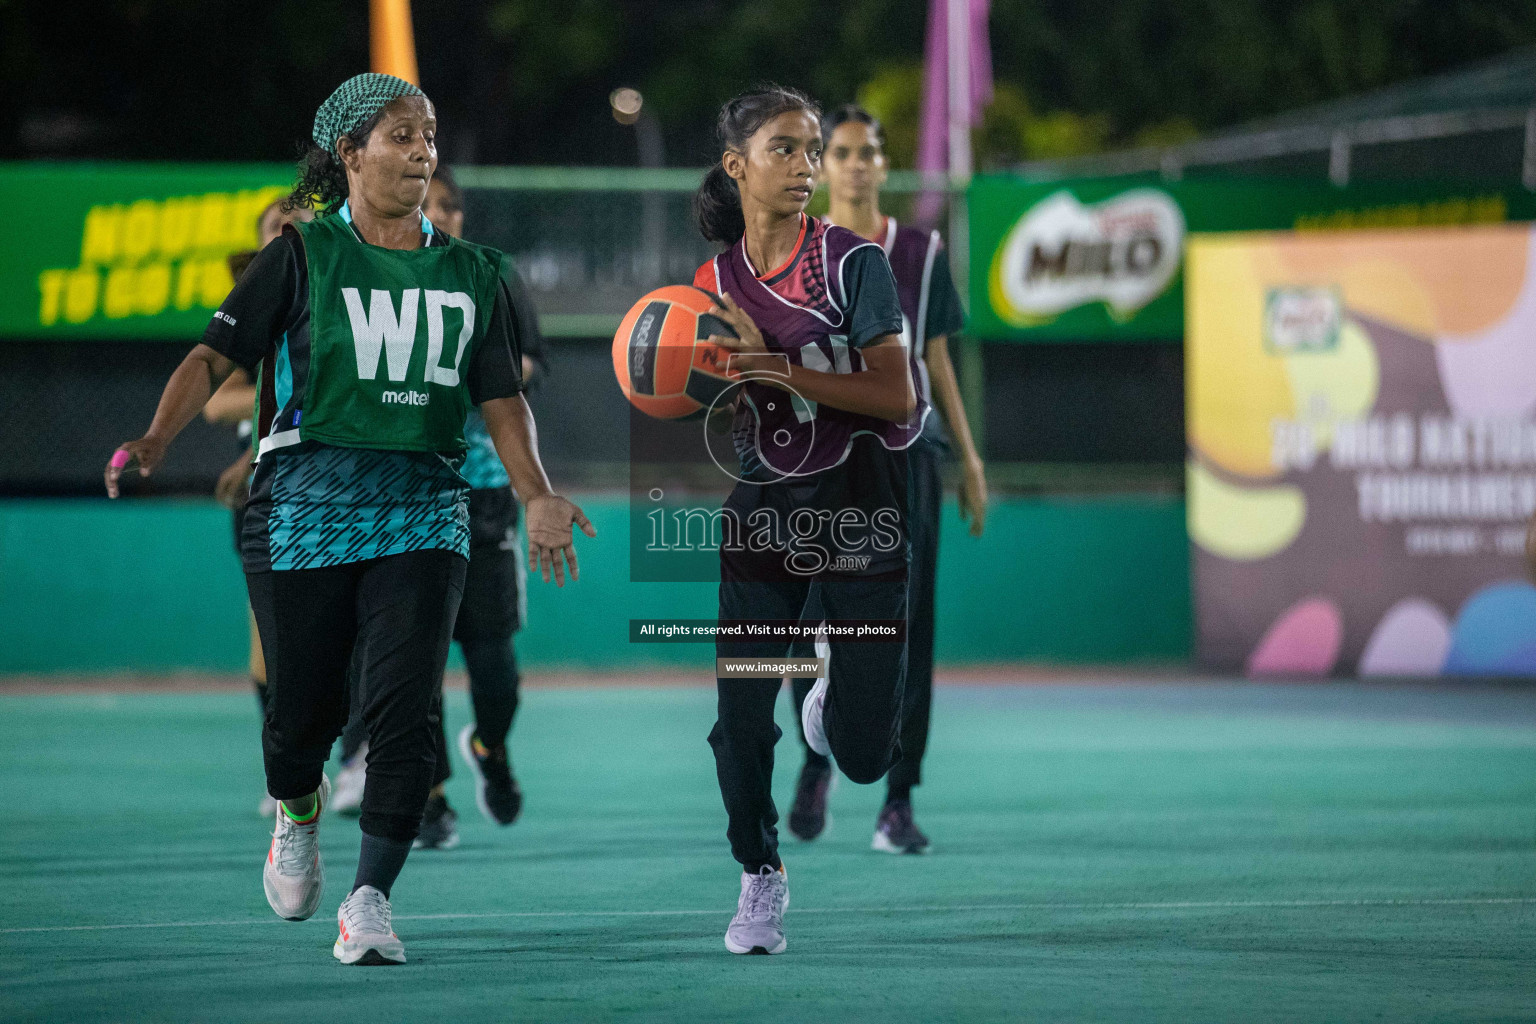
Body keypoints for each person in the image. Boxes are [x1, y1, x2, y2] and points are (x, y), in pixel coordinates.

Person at [105, 73, 593, 966]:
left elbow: (500, 401)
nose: (422, 152)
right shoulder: (297, 258)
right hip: (303, 509)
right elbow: (214, 356)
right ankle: (296, 812)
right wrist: (155, 438)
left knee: (405, 712)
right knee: (300, 715)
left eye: (430, 135)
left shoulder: (473, 273)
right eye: (402, 136)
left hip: (425, 510)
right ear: (350, 154)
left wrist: (537, 493)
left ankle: (370, 898)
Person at [692, 86, 924, 955]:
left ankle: (830, 698)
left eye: (812, 149)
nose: (805, 166)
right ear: (736, 164)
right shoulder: (711, 283)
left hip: (864, 506)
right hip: (764, 513)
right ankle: (759, 875)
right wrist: (696, 373)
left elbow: (893, 392)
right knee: (740, 718)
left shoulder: (854, 263)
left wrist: (777, 365)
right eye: (785, 149)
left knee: (864, 757)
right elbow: (712, 396)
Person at [782, 104, 988, 854]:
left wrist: (968, 458)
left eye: (869, 151)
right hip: (819, 458)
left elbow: (936, 362)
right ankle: (814, 759)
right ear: (822, 164)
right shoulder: (797, 250)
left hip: (906, 457)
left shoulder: (921, 252)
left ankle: (898, 799)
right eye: (841, 151)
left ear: (883, 163)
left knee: (907, 629)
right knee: (802, 618)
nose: (857, 163)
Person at [330, 166, 547, 851]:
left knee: (496, 670)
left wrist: (465, 374)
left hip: (482, 494)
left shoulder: (488, 275)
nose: (441, 214)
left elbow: (527, 365)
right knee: (412, 662)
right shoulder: (370, 279)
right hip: (403, 493)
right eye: (430, 204)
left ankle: (490, 744)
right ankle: (431, 792)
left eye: (449, 205)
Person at [205, 201, 315, 818]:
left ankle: (341, 759)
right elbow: (216, 402)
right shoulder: (250, 311)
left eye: (297, 221)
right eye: (276, 225)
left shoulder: (338, 293)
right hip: (265, 493)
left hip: (332, 488)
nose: (288, 230)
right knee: (266, 645)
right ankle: (286, 769)